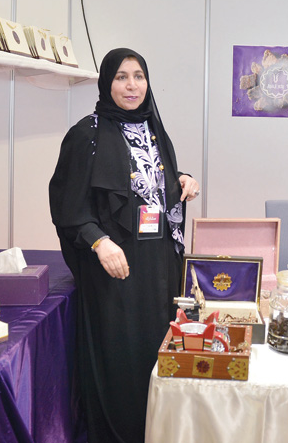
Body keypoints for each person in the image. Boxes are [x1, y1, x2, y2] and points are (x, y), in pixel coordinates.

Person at [48, 48, 200, 443]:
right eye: (121, 77)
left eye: (138, 76)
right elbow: (68, 206)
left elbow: (146, 182)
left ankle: (157, 431)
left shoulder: (153, 127)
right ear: (106, 83)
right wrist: (99, 242)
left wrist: (181, 180)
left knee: (156, 351)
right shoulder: (87, 135)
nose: (131, 86)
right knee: (121, 359)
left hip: (158, 268)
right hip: (116, 270)